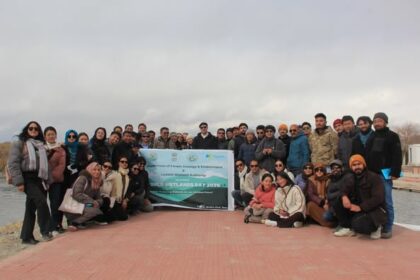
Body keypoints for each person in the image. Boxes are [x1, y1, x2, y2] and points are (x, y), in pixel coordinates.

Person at [8, 121, 53, 244]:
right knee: (41, 201)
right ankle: (46, 231)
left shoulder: (41, 145)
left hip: (40, 178)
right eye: (31, 128)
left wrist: (48, 181)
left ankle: (26, 237)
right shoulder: (19, 144)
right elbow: (13, 163)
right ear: (26, 130)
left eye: (36, 128)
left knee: (30, 207)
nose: (33, 130)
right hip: (27, 178)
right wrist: (19, 183)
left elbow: (46, 165)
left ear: (39, 131)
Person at [364, 112, 402, 239]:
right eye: (375, 121)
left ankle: (388, 226)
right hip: (371, 174)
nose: (377, 123)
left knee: (387, 201)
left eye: (379, 121)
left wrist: (395, 172)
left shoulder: (393, 136)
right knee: (373, 200)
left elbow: (397, 155)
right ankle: (376, 224)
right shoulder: (372, 136)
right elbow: (367, 155)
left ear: (385, 122)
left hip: (385, 175)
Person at [333, 155, 387, 240]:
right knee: (338, 201)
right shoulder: (351, 177)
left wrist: (361, 207)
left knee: (359, 225)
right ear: (351, 167)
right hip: (358, 207)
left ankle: (376, 228)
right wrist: (344, 196)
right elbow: (343, 189)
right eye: (354, 165)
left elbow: (378, 198)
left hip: (373, 210)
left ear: (364, 164)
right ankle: (348, 228)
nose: (357, 167)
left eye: (359, 164)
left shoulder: (374, 177)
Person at [66, 162, 105, 231]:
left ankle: (78, 221)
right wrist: (92, 201)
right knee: (93, 209)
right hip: (74, 203)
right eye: (94, 170)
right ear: (89, 169)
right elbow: (77, 194)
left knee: (96, 210)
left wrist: (98, 202)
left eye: (99, 170)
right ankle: (73, 223)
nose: (97, 172)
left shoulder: (96, 181)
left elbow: (99, 197)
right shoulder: (83, 178)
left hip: (85, 204)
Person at [44, 126, 66, 235]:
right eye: (49, 134)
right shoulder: (41, 148)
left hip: (55, 181)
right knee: (42, 204)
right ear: (45, 136)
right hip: (42, 181)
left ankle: (55, 226)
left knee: (55, 203)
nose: (51, 136)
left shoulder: (61, 149)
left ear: (56, 135)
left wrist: (50, 178)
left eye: (53, 134)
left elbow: (61, 166)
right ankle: (45, 226)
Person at [305, 163, 333, 227]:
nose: (319, 172)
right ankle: (326, 222)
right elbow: (310, 195)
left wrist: (327, 202)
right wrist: (322, 203)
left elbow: (330, 193)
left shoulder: (328, 180)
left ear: (324, 171)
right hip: (317, 203)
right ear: (314, 171)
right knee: (310, 205)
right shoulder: (311, 180)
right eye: (317, 170)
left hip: (327, 203)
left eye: (321, 170)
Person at [323, 160, 349, 225]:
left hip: (342, 204)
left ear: (341, 168)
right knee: (326, 216)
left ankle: (344, 224)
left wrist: (331, 197)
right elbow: (328, 193)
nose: (335, 170)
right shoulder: (330, 180)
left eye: (337, 168)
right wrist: (327, 202)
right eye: (333, 168)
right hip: (332, 204)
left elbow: (342, 192)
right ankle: (337, 222)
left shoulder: (345, 178)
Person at [110, 156, 131, 221]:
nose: (124, 163)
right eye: (122, 162)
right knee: (120, 217)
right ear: (119, 163)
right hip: (113, 199)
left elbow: (128, 190)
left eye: (126, 162)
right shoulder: (114, 173)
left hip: (122, 200)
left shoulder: (127, 177)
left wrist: (125, 200)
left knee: (124, 217)